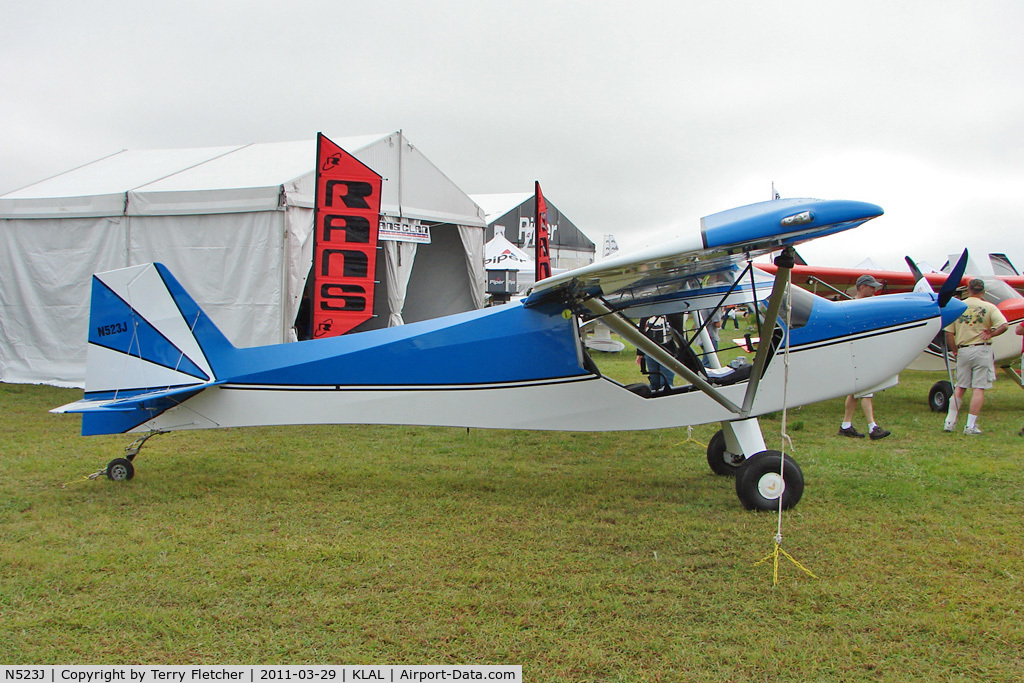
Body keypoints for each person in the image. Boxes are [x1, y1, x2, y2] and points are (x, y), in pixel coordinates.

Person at [943, 278, 1009, 435]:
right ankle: (970, 425)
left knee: (960, 386)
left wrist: (955, 350)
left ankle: (949, 422)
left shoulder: (958, 306)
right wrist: (991, 333)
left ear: (968, 289)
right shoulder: (989, 307)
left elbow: (949, 333)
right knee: (979, 387)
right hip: (982, 349)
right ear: (983, 292)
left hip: (963, 349)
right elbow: (1004, 325)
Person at [838, 274, 891, 440]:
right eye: (871, 287)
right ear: (862, 287)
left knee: (855, 392)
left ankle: (846, 425)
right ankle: (872, 427)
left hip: (863, 351)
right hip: (859, 352)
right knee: (867, 388)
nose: (874, 290)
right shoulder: (854, 306)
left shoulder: (867, 304)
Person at [637, 316, 675, 391]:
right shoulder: (645, 314)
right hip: (650, 350)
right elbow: (641, 332)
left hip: (668, 351)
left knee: (666, 382)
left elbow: (679, 331)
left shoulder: (672, 314)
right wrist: (640, 353)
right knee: (654, 382)